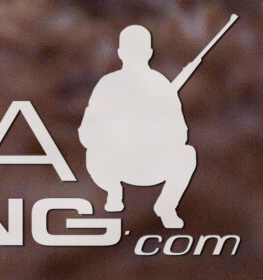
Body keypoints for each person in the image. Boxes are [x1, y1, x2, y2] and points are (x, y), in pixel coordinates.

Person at [82, 22, 201, 230]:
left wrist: (153, 129)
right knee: (94, 153)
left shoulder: (161, 86)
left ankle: (166, 206)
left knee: (187, 154)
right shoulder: (108, 85)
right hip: (115, 164)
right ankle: (113, 192)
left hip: (151, 164)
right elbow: (87, 133)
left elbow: (180, 134)